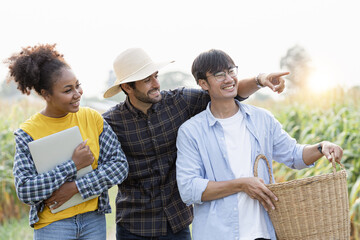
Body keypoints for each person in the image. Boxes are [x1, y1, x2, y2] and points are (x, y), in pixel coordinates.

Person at [102, 48, 287, 240]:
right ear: (127, 87)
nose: (157, 84)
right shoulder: (111, 122)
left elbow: (226, 90)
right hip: (134, 225)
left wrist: (260, 79)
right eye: (147, 80)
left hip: (177, 223)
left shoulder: (179, 102)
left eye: (155, 76)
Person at [175, 49, 344, 240]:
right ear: (203, 84)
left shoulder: (262, 119)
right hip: (218, 234)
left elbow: (294, 155)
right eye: (219, 75)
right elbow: (189, 189)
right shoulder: (191, 131)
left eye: (231, 71)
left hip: (264, 232)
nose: (229, 79)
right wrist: (241, 185)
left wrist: (322, 147)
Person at [5, 44, 129, 240]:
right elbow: (26, 190)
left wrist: (75, 188)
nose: (77, 93)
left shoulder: (93, 118)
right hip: (53, 226)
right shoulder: (29, 133)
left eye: (77, 85)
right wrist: (73, 165)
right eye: (67, 90)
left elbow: (119, 166)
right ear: (46, 94)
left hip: (93, 220)